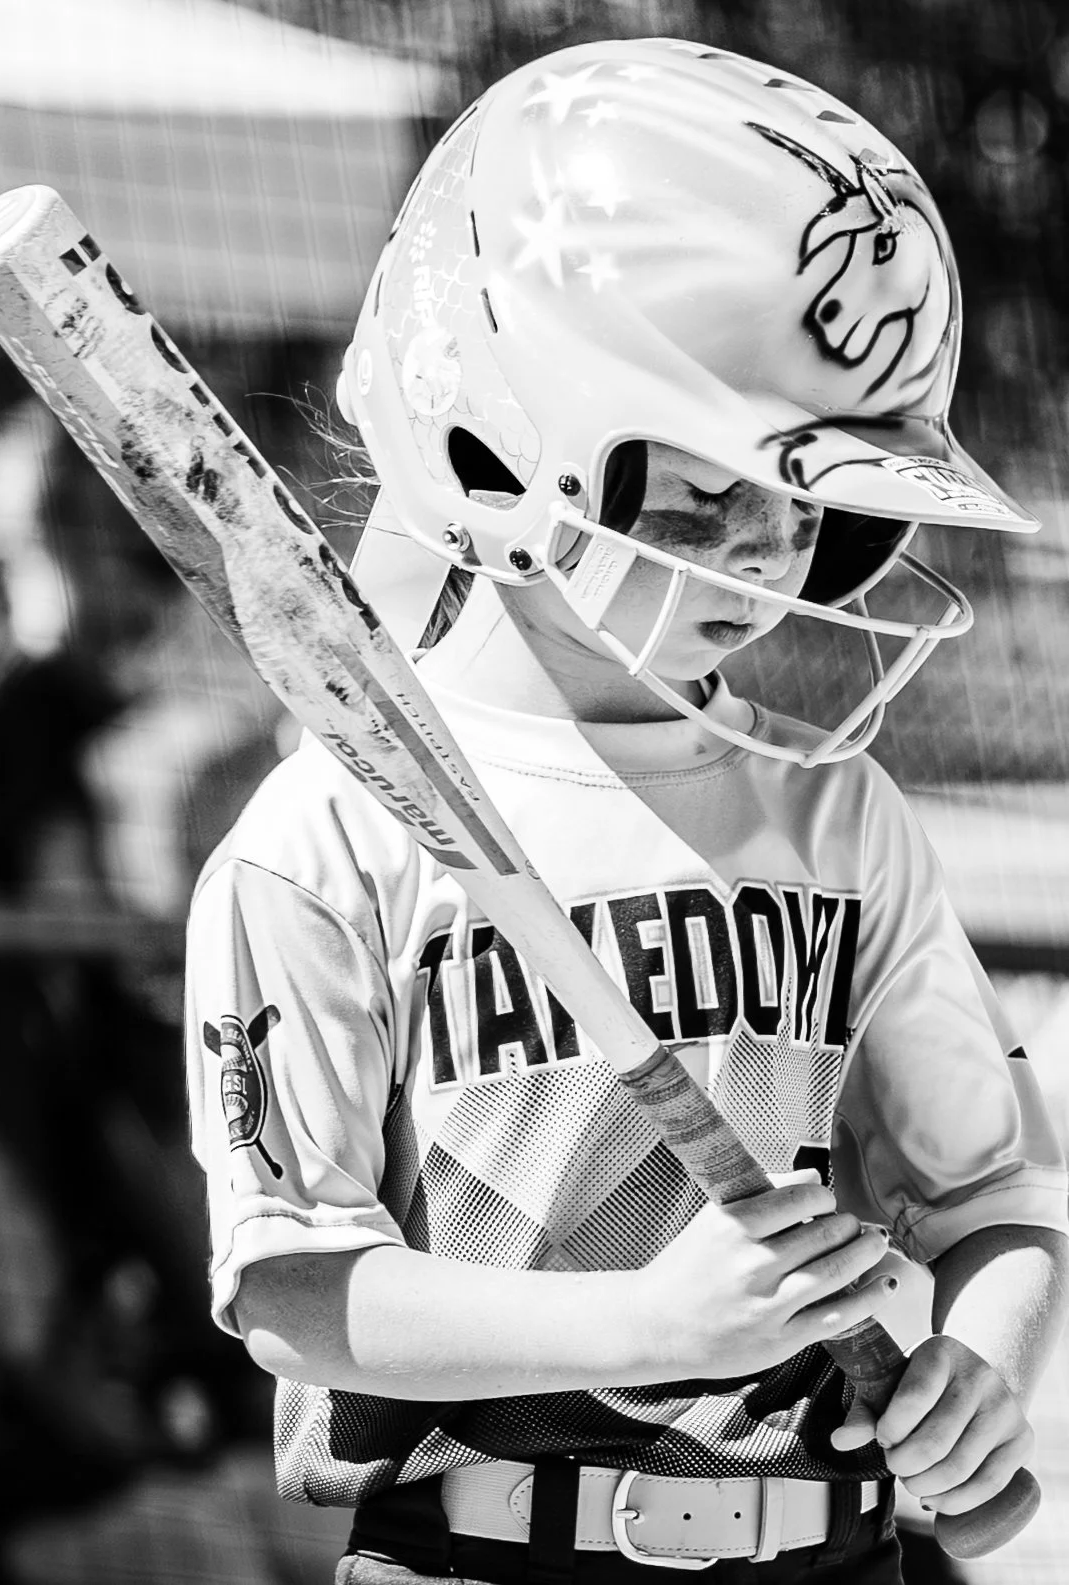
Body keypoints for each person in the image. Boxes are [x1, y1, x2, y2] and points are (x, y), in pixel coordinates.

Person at [183, 39, 1069, 1585]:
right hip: (482, 1555)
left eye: (808, 505)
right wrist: (650, 1326)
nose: (771, 556)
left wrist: (979, 1370)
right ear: (507, 446)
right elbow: (294, 1293)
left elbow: (994, 1195)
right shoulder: (326, 838)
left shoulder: (836, 813)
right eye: (707, 488)